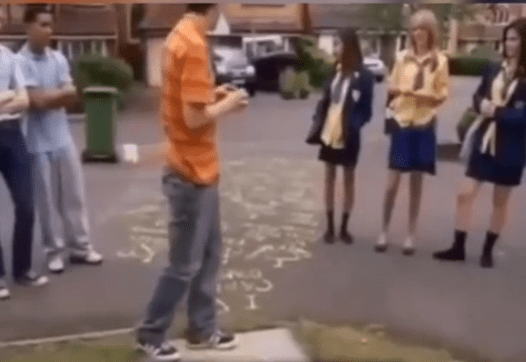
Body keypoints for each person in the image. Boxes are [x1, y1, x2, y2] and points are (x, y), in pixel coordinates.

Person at [135, 4, 249, 361]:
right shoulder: (194, 44)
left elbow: (190, 102)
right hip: (190, 170)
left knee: (210, 255)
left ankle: (202, 326)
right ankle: (151, 332)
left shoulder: (178, 36)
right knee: (184, 263)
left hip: (200, 169)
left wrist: (213, 94)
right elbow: (194, 118)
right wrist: (228, 103)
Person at [17, 4, 103, 274]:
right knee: (46, 203)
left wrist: (49, 96)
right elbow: (35, 101)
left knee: (74, 196)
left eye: (50, 26)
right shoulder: (20, 62)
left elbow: (72, 95)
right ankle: (53, 251)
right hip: (36, 143)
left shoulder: (58, 59)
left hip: (62, 137)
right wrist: (55, 96)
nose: (48, 31)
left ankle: (80, 248)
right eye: (42, 25)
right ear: (28, 28)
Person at [433, 18, 526, 268]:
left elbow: (522, 117)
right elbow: (478, 96)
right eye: (507, 39)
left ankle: (487, 250)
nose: (509, 44)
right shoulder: (494, 69)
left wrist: (496, 112)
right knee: (465, 194)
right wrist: (480, 105)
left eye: (515, 39)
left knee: (500, 201)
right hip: (485, 141)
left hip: (511, 146)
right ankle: (458, 247)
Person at [375, 9, 449, 255]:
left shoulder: (440, 61)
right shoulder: (402, 57)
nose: (418, 33)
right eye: (414, 28)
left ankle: (410, 235)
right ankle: (384, 231)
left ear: (431, 32)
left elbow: (442, 94)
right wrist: (403, 91)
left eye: (423, 28)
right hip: (402, 122)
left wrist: (424, 96)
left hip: (424, 124)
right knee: (392, 184)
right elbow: (392, 85)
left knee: (416, 184)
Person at [307, 28, 374, 245]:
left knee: (348, 178)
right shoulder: (333, 71)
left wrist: (354, 125)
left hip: (349, 133)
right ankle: (330, 227)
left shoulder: (364, 76)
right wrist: (319, 117)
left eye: (339, 44)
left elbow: (367, 111)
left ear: (349, 46)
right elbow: (325, 99)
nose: (336, 48)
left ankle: (344, 228)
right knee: (329, 177)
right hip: (329, 131)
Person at [0, 6, 49, 301]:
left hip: (12, 133)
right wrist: (8, 96)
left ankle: (22, 270)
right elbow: (13, 96)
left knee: (26, 205)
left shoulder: (7, 56)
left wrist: (8, 98)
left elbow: (24, 99)